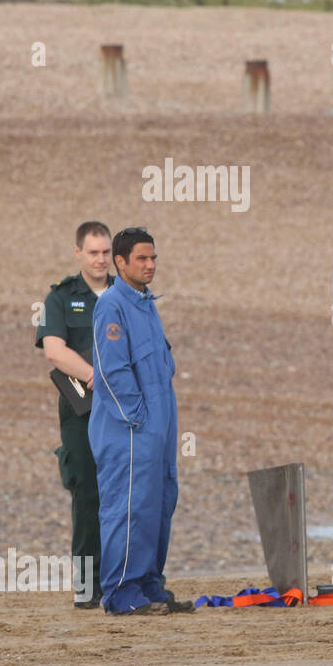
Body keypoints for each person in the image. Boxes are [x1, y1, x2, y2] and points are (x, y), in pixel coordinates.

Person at [90, 228, 191, 615]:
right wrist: (138, 419)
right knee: (128, 505)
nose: (150, 266)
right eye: (142, 259)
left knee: (160, 501)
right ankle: (121, 592)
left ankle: (149, 583)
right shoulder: (112, 305)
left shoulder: (146, 303)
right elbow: (112, 372)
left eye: (153, 259)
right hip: (129, 428)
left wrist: (159, 424)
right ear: (120, 262)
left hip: (160, 424)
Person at [35, 222, 113, 608]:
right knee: (87, 495)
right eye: (93, 252)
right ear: (78, 252)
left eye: (105, 252)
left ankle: (125, 582)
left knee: (129, 493)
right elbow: (54, 350)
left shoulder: (128, 293)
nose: (100, 259)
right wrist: (94, 377)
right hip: (82, 409)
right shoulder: (62, 297)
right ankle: (87, 587)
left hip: (124, 410)